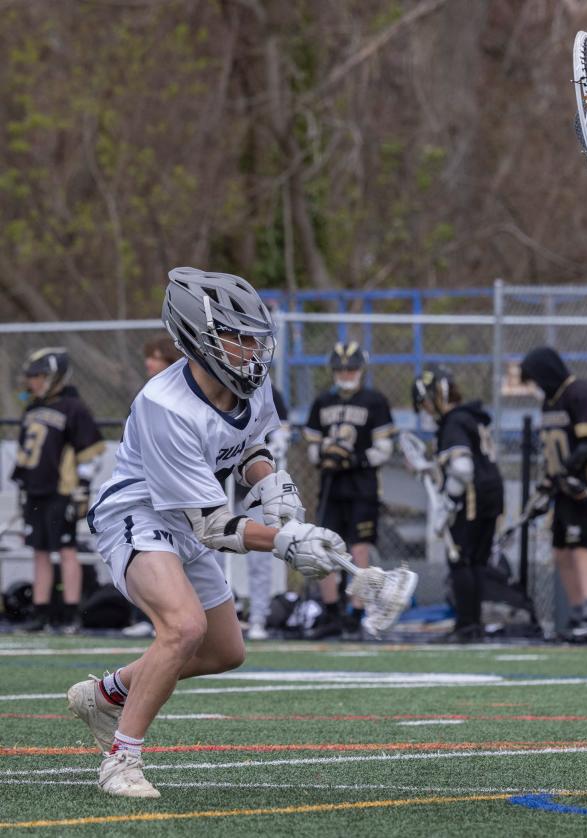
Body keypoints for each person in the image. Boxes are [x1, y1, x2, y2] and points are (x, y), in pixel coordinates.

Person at [67, 267, 347, 799]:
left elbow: (248, 445)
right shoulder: (164, 405)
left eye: (254, 338)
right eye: (236, 338)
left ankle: (106, 695)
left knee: (224, 650)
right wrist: (286, 541)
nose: (251, 352)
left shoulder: (252, 383)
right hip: (140, 514)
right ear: (198, 337)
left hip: (189, 516)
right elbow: (214, 525)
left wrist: (272, 484)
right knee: (183, 628)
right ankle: (121, 760)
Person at [519, 347, 587, 643]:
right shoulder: (549, 402)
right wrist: (549, 481)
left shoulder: (578, 392)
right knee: (560, 552)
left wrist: (569, 469)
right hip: (563, 487)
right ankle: (575, 613)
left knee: (581, 547)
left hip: (584, 486)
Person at [303, 341, 394, 639]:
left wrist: (355, 458)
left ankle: (356, 612)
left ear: (361, 370)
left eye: (351, 368)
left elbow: (384, 449)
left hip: (362, 485)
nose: (345, 373)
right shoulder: (322, 402)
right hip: (333, 484)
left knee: (358, 549)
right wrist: (326, 457)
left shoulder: (374, 401)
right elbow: (312, 449)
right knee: (324, 548)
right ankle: (331, 610)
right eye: (340, 369)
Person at [12, 348, 104, 634]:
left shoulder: (73, 408)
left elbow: (90, 454)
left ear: (54, 376)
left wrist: (82, 489)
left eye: (38, 376)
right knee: (39, 551)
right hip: (35, 490)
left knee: (66, 550)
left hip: (60, 491)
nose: (33, 382)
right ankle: (40, 613)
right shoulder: (32, 409)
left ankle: (70, 613)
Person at [412, 365, 503, 641]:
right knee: (476, 562)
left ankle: (466, 625)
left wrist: (448, 505)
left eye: (426, 403)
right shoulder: (470, 417)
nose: (427, 410)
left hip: (471, 499)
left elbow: (462, 468)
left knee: (460, 561)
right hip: (491, 495)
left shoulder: (453, 422)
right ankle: (473, 624)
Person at [123, 335, 183, 639]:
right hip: (146, 501)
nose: (150, 363)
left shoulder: (181, 397)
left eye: (157, 358)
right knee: (144, 553)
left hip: (179, 504)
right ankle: (146, 616)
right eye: (150, 357)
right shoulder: (149, 395)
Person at [241, 386, 291, 641]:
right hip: (218, 482)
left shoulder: (267, 392)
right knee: (208, 551)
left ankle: (258, 617)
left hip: (255, 482)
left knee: (260, 554)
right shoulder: (208, 386)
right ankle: (216, 615)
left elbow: (280, 436)